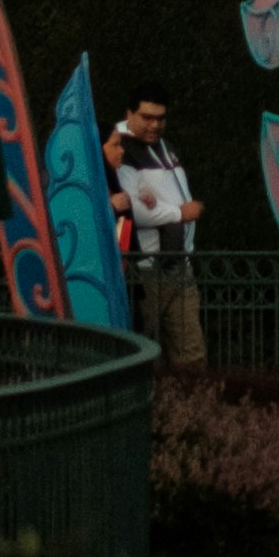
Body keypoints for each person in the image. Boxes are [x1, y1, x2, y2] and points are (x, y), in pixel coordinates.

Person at [106, 95, 206, 377]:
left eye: (160, 118)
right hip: (148, 270)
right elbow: (132, 209)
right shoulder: (121, 149)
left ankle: (197, 415)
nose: (154, 124)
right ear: (130, 114)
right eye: (147, 117)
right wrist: (179, 213)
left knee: (192, 355)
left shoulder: (165, 146)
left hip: (180, 265)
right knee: (143, 353)